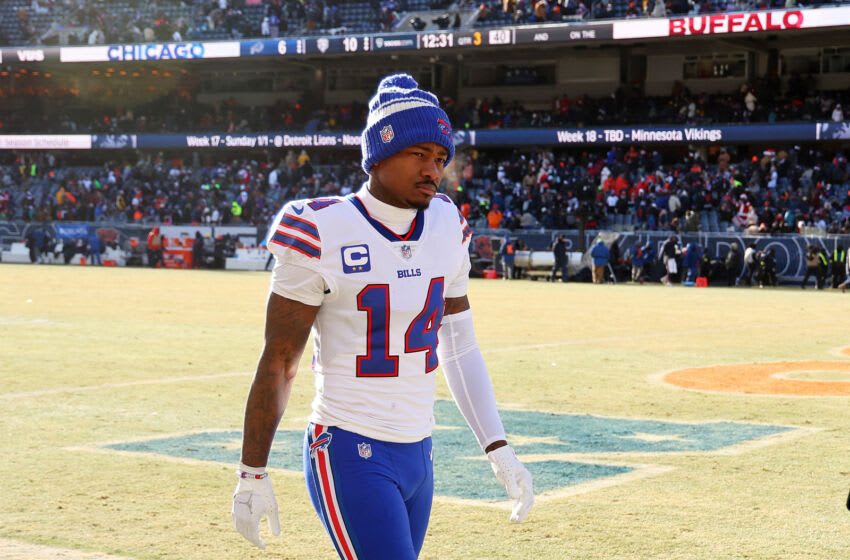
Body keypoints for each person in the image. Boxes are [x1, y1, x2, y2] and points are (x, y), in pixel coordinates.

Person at [232, 73, 533, 560]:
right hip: (350, 445)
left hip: (420, 450)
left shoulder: (446, 224)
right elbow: (281, 360)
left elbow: (458, 346)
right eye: (419, 153)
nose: (433, 169)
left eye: (440, 159)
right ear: (380, 152)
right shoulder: (319, 227)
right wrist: (252, 473)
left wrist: (498, 448)